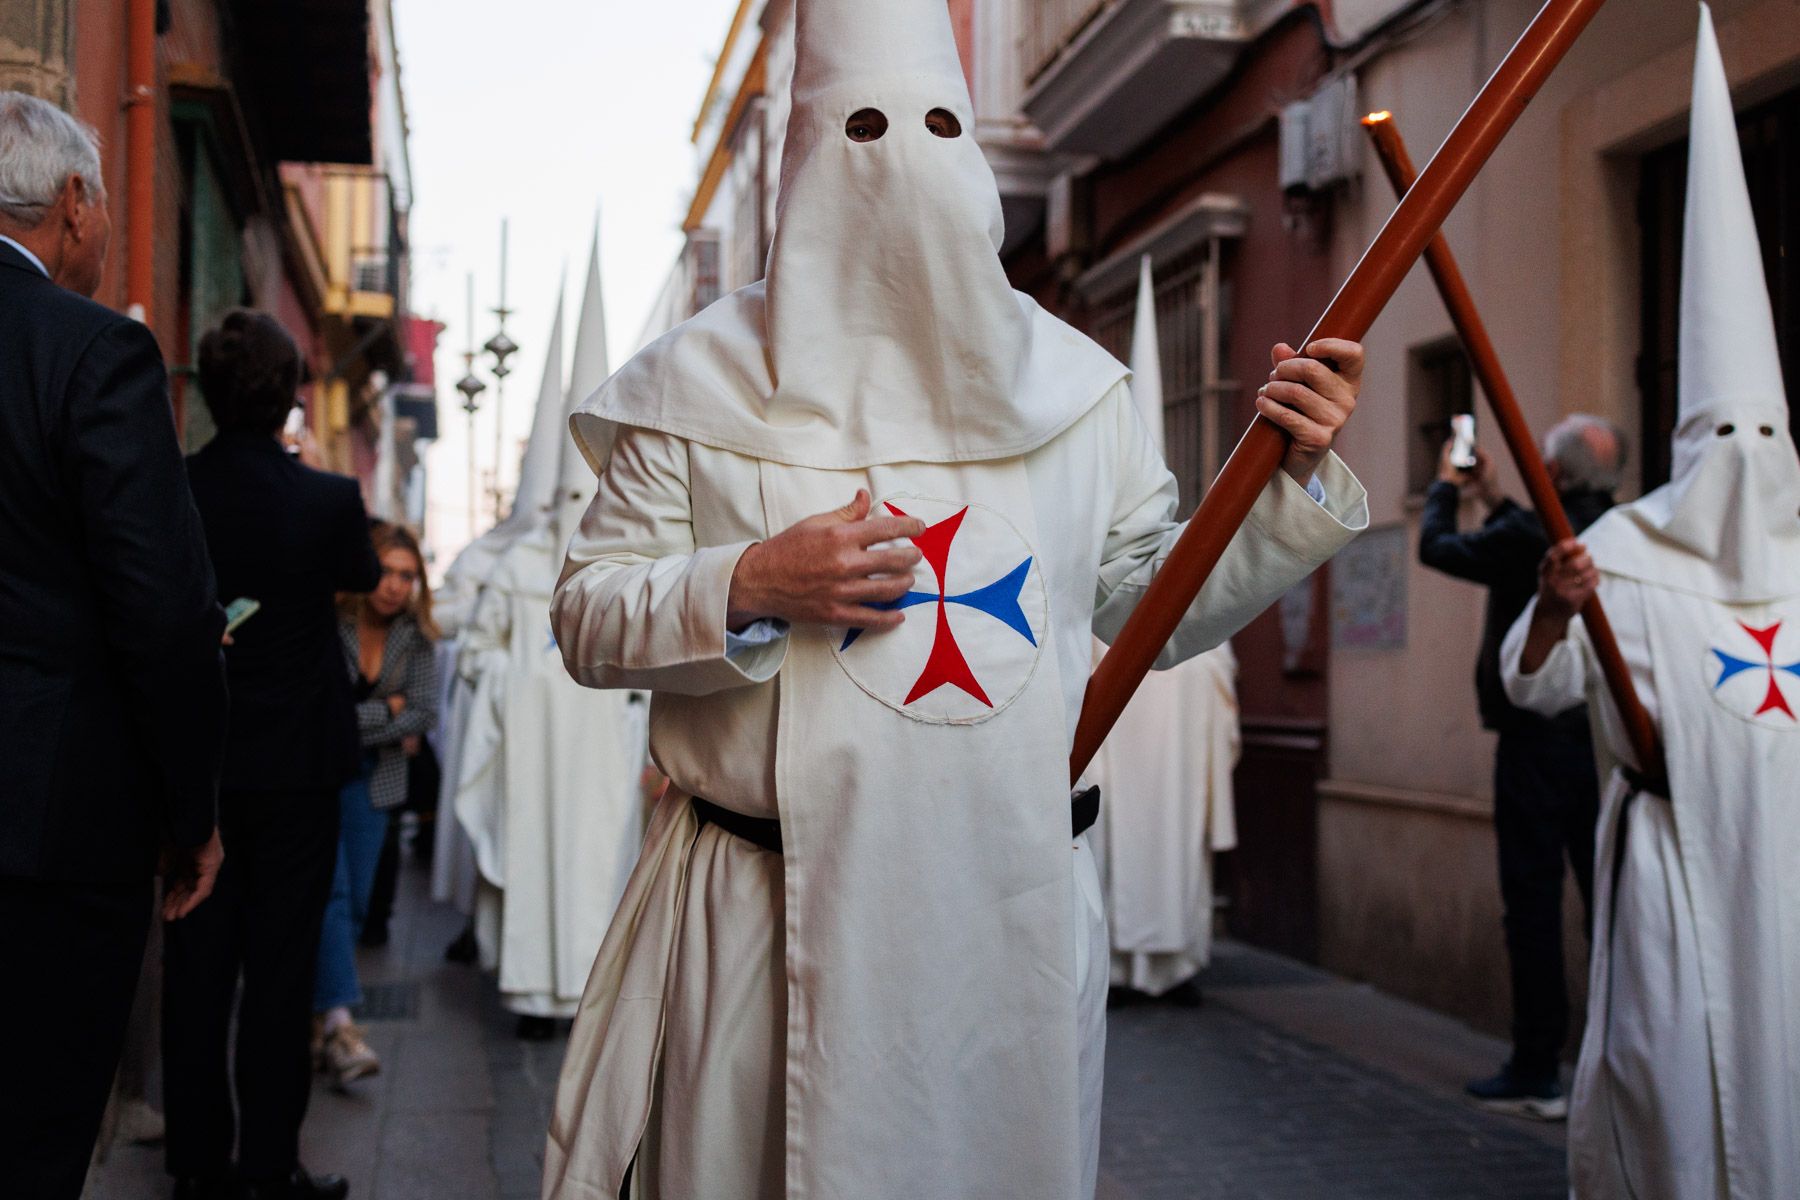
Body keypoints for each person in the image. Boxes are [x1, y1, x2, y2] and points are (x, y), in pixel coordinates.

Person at [539, 3, 1369, 1197]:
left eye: (938, 125)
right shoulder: (697, 388)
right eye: (865, 128)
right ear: (803, 161)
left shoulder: (1073, 394)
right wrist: (753, 581)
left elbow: (1150, 608)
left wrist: (1283, 484)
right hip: (765, 935)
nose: (903, 161)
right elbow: (588, 617)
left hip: (1005, 930)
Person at [1502, 8, 1799, 1195]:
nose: (1744, 455)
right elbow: (1536, 690)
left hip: (1790, 870)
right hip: (1677, 868)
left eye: (1766, 434)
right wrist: (1563, 608)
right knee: (1674, 1083)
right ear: (1685, 442)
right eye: (1723, 432)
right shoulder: (1618, 549)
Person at [0, 90, 228, 1200]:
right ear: (77, 203)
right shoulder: (95, 355)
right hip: (45, 829)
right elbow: (164, 612)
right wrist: (192, 816)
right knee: (31, 1143)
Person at [166, 309, 381, 1200]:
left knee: (196, 970)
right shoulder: (326, 500)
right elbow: (366, 577)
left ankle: (196, 1168)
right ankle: (268, 1164)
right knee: (282, 967)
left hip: (201, 763)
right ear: (292, 394)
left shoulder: (177, 487)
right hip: (298, 764)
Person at [454, 236, 647, 1036]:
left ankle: (592, 988)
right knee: (541, 855)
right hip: (533, 740)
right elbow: (476, 654)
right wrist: (514, 683)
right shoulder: (516, 566)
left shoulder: (631, 553)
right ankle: (534, 988)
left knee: (599, 854)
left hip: (604, 741)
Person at [1418, 414, 1623, 1118]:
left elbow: (1437, 548)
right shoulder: (1620, 537)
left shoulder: (1533, 538)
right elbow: (1519, 534)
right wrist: (1499, 496)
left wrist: (1446, 487)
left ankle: (1538, 1064)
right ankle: (1617, 1062)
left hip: (1536, 744)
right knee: (1613, 906)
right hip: (1605, 746)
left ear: (1557, 474)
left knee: (1532, 906)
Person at [1089, 256, 1240, 1009]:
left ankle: (1167, 960)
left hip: (1165, 749)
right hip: (1132, 754)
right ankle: (1131, 962)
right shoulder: (1101, 578)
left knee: (1163, 840)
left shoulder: (1181, 572)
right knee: (1131, 838)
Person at [312, 522, 440, 1088]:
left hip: (376, 784)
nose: (394, 586)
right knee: (329, 895)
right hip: (318, 779)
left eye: (406, 576)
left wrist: (367, 718)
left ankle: (318, 1016)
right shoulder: (327, 624)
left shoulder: (418, 639)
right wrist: (387, 713)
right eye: (386, 571)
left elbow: (422, 714)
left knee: (358, 903)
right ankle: (341, 1024)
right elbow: (319, 711)